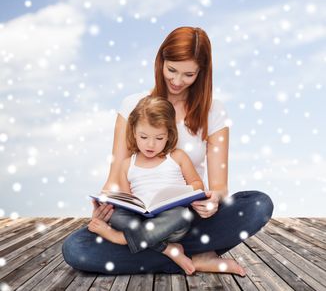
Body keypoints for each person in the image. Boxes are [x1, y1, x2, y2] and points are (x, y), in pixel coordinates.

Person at [62, 26, 274, 275]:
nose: (176, 81)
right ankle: (191, 255)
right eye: (171, 69)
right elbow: (115, 179)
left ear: (202, 73)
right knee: (75, 249)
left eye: (188, 74)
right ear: (160, 61)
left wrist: (213, 201)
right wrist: (104, 206)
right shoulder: (132, 106)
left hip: (188, 219)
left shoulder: (214, 112)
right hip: (137, 220)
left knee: (258, 204)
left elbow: (219, 188)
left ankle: (160, 251)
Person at [87, 96, 245, 276]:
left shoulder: (177, 157)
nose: (151, 144)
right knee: (117, 216)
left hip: (171, 222)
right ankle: (168, 250)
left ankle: (121, 239)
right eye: (144, 137)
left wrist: (183, 194)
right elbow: (127, 200)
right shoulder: (126, 165)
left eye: (159, 137)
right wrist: (107, 206)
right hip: (143, 223)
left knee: (182, 214)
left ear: (169, 134)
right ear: (133, 132)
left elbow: (197, 184)